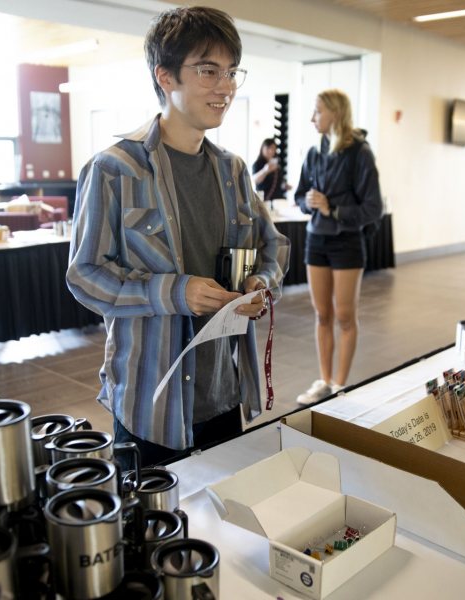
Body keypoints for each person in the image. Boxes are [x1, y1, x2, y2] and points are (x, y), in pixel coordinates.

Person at [67, 6, 289, 466]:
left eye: (230, 72)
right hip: (151, 403)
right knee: (157, 533)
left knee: (224, 530)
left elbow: (273, 247)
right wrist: (174, 292)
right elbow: (85, 276)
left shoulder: (232, 170)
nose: (224, 87)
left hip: (223, 393)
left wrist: (260, 285)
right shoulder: (114, 169)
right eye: (208, 70)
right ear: (165, 76)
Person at [293, 89, 382, 405]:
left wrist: (334, 210)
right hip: (316, 239)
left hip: (347, 241)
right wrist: (308, 201)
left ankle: (340, 386)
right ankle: (324, 380)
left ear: (335, 113)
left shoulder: (360, 153)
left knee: (345, 316)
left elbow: (373, 208)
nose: (312, 118)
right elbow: (299, 195)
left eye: (317, 111)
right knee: (321, 314)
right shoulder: (314, 153)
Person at [252, 138, 289, 202]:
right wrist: (265, 170)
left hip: (278, 200)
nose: (271, 151)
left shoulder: (277, 165)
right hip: (264, 200)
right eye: (268, 148)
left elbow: (279, 183)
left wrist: (285, 186)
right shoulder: (257, 164)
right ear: (262, 148)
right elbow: (255, 180)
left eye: (273, 149)